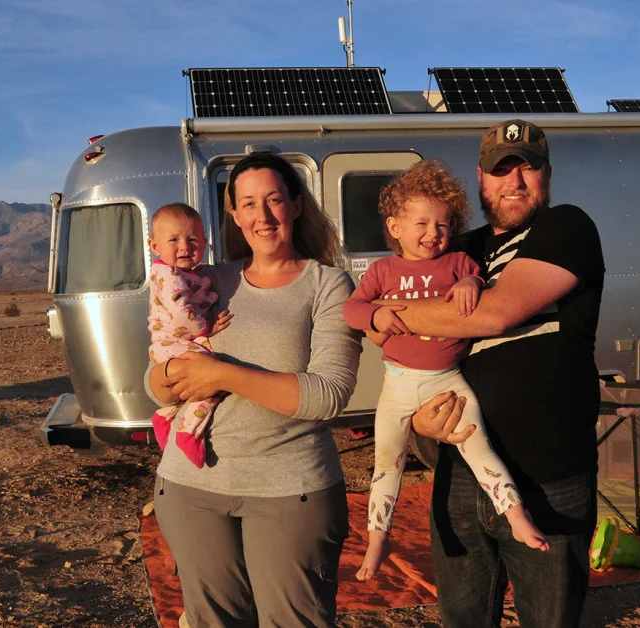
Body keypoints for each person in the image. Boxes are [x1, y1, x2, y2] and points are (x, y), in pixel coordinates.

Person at [385, 120, 605, 627]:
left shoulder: (567, 228)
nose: (515, 181)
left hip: (550, 478)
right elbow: (402, 348)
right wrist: (417, 419)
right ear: (481, 179)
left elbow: (494, 314)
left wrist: (382, 314)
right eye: (501, 170)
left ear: (547, 174)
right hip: (461, 476)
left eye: (528, 168)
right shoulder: (457, 248)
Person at [146, 152, 362, 627]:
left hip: (290, 491)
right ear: (235, 215)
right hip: (190, 487)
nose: (262, 215)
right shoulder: (207, 280)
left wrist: (220, 375)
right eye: (247, 204)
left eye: (274, 200)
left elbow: (328, 394)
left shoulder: (328, 285)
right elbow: (156, 381)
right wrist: (171, 374)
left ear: (296, 205)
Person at [342, 160, 548, 583]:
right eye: (421, 224)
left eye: (442, 225)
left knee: (480, 449)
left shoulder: (457, 262)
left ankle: (516, 516)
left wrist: (471, 284)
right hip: (398, 384)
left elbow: (480, 284)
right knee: (387, 464)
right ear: (395, 227)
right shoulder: (382, 270)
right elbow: (352, 309)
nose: (433, 233)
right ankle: (378, 537)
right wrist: (375, 317)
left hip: (448, 380)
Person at [146, 202, 232, 468]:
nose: (184, 246)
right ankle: (188, 431)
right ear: (155, 246)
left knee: (192, 382)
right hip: (175, 342)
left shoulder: (186, 273)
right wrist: (207, 328)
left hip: (175, 342)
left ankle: (166, 415)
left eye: (192, 239)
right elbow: (181, 315)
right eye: (174, 240)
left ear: (204, 243)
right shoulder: (169, 276)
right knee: (209, 379)